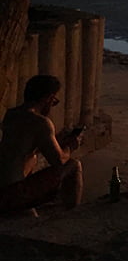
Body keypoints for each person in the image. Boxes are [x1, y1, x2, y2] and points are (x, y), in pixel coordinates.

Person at [0, 75, 84, 216]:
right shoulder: (41, 122)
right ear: (48, 98)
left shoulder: (11, 114)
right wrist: (70, 147)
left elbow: (22, 148)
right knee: (74, 165)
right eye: (54, 101)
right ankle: (72, 215)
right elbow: (58, 161)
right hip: (13, 192)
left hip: (5, 186)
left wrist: (57, 143)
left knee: (33, 160)